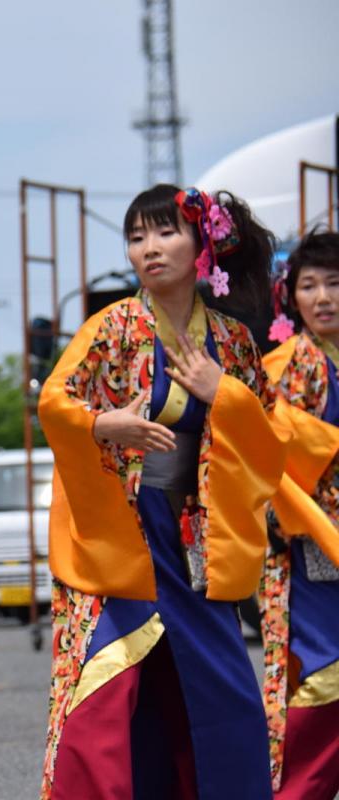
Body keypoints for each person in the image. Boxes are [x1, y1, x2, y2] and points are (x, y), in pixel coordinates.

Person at [37, 185, 284, 799]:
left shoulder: (233, 342)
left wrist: (223, 393)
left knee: (222, 693)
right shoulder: (112, 326)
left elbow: (271, 443)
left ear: (203, 245)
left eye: (165, 232)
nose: (149, 248)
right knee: (104, 692)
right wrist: (103, 424)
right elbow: (55, 402)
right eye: (136, 236)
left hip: (196, 538)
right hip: (119, 536)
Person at [260, 229, 339, 799]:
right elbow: (263, 452)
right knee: (323, 675)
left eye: (334, 283)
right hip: (310, 547)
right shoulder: (287, 365)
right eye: (308, 286)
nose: (322, 298)